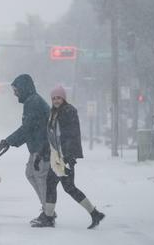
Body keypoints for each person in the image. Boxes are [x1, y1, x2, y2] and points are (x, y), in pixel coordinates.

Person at [31, 85, 105, 229]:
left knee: (67, 187)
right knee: (55, 185)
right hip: (57, 157)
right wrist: (40, 155)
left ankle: (50, 217)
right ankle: (50, 216)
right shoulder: (54, 113)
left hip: (64, 157)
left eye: (58, 98)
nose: (56, 100)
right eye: (53, 98)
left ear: (63, 98)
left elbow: (72, 135)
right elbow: (51, 137)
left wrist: (69, 157)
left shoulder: (68, 111)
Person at [0, 74, 51, 224]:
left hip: (42, 147)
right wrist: (10, 142)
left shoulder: (33, 102)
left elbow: (27, 127)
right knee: (31, 174)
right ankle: (47, 209)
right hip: (37, 146)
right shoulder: (32, 101)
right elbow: (29, 128)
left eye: (16, 90)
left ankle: (48, 213)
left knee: (40, 177)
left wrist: (9, 141)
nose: (15, 93)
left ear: (23, 88)